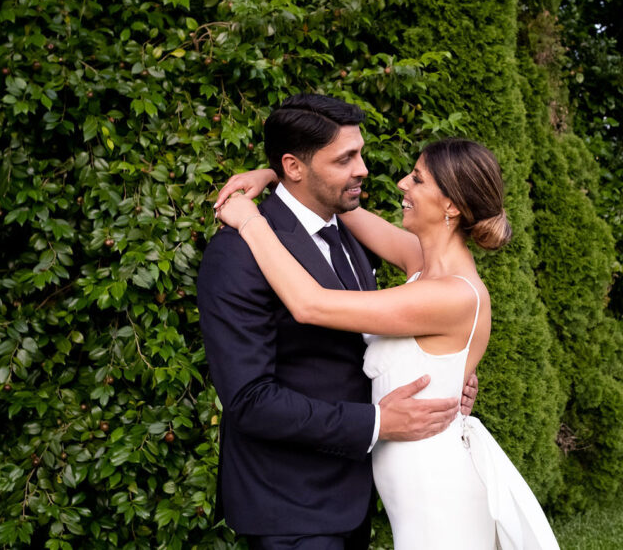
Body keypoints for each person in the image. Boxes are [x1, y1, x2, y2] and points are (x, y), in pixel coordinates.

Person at [216, 132, 560, 550]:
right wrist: (278, 176)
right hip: (410, 487)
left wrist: (249, 221)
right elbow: (340, 207)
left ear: (450, 205)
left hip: (435, 489)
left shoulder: (451, 294)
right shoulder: (423, 261)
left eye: (417, 178)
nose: (402, 184)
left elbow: (309, 304)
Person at [197, 94, 477, 550]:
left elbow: (352, 346)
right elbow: (250, 400)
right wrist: (377, 423)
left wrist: (445, 376)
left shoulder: (347, 230)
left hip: (353, 495)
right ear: (294, 166)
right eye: (346, 158)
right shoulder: (238, 252)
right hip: (289, 505)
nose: (363, 169)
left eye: (359, 153)